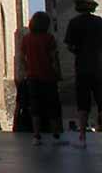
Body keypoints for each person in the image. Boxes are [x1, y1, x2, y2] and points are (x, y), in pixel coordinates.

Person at [64, 0, 102, 148]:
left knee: (83, 103)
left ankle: (82, 137)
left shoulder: (74, 23)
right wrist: (97, 51)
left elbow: (70, 46)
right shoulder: (99, 21)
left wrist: (80, 52)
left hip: (82, 67)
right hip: (99, 66)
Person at [21, 11, 65, 146]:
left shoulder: (26, 39)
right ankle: (55, 134)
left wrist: (27, 69)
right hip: (48, 76)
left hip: (32, 77)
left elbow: (22, 57)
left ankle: (36, 135)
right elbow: (54, 58)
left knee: (35, 106)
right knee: (52, 105)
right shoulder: (49, 38)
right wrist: (58, 73)